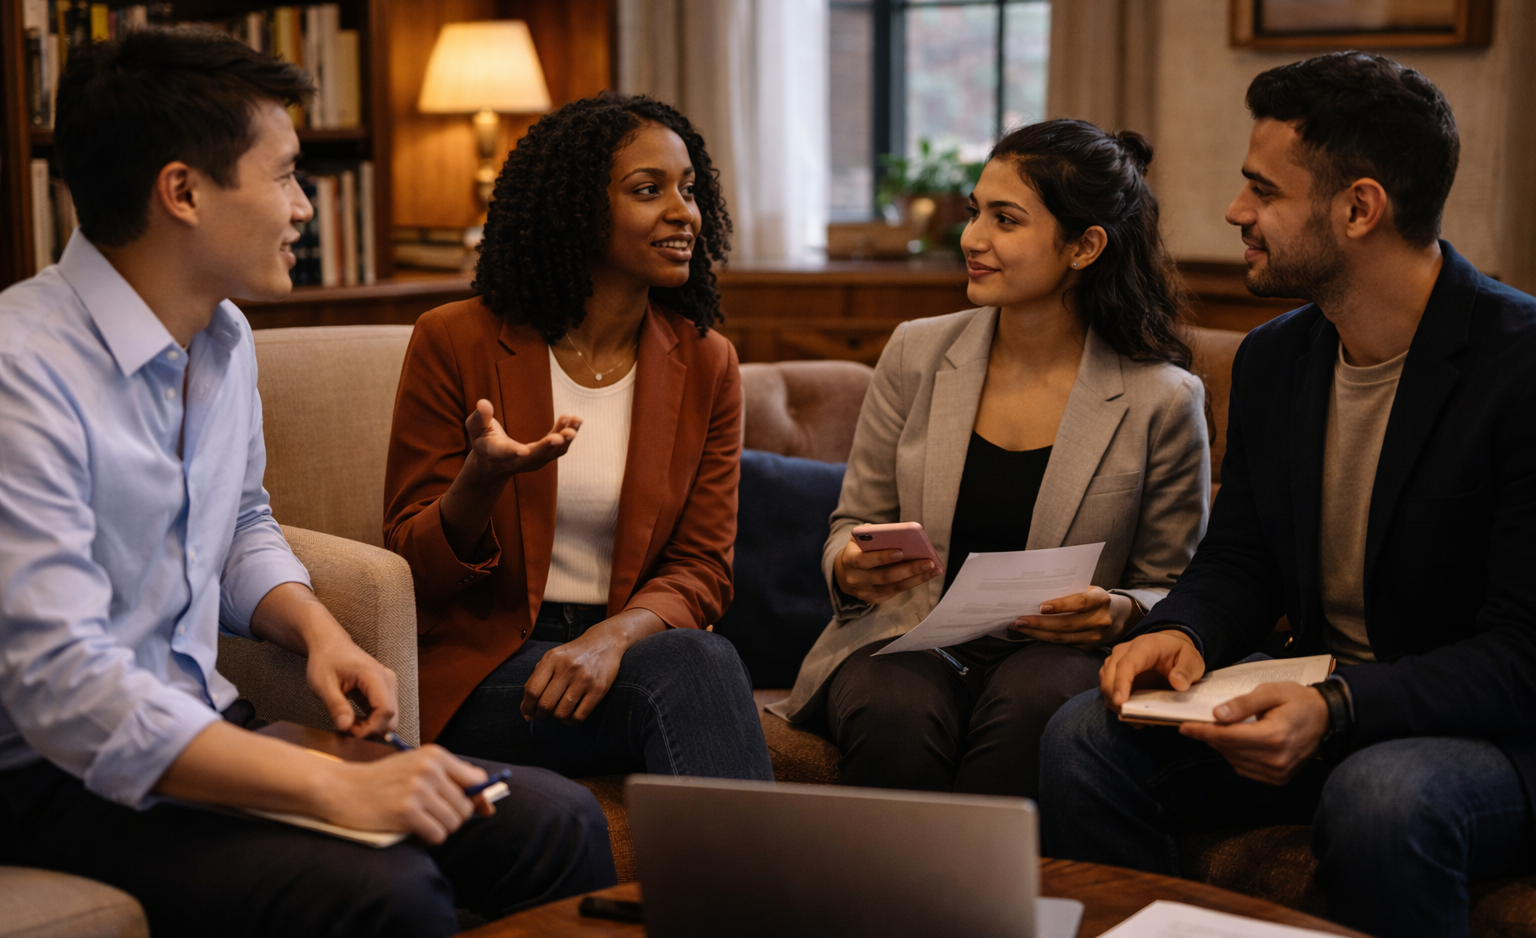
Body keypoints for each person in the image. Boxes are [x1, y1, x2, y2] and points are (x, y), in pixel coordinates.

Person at [0, 29, 614, 938]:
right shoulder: (20, 370)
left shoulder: (223, 337)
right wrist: (332, 784)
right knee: (388, 890)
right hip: (51, 775)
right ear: (183, 192)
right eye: (286, 175)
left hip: (206, 726)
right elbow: (61, 684)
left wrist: (319, 632)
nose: (304, 208)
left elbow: (240, 520)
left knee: (553, 820)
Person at [1039, 52, 1536, 938]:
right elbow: (1242, 559)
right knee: (1084, 739)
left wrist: (1340, 703)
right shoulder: (1276, 359)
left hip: (1491, 733)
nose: (1235, 212)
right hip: (1321, 702)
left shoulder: (1520, 366)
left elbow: (1523, 654)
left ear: (1359, 208)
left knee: (1383, 796)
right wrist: (1180, 632)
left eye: (1261, 190)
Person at [768, 120, 1210, 798]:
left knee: (1039, 699)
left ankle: (989, 900)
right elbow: (850, 523)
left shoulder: (1163, 400)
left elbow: (1175, 585)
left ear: (1085, 246)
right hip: (906, 634)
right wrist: (852, 568)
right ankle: (885, 902)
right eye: (976, 212)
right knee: (893, 708)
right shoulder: (915, 353)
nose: (972, 238)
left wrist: (1120, 611)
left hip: (1056, 655)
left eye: (1006, 219)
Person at [384, 93, 773, 782]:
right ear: (576, 209)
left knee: (697, 662)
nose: (684, 212)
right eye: (648, 191)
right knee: (697, 669)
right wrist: (479, 481)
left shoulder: (707, 361)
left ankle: (727, 890)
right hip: (491, 668)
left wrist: (614, 636)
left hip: (629, 650)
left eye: (689, 189)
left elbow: (704, 567)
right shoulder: (454, 340)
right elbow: (412, 568)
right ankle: (756, 890)